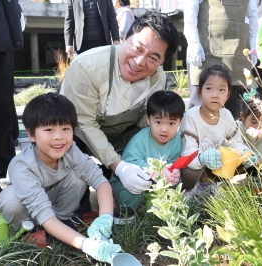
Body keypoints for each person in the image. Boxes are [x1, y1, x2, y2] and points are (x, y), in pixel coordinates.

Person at [60, 11, 179, 220]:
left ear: (161, 63)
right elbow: (84, 124)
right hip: (78, 133)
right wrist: (120, 166)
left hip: (120, 136)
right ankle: (79, 199)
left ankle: (111, 179)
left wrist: (152, 165)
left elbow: (146, 124)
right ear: (125, 38)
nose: (140, 62)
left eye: (153, 58)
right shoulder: (86, 67)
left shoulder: (157, 79)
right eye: (138, 47)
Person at [0, 93, 121, 263]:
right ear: (31, 134)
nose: (59, 136)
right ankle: (29, 232)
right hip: (29, 207)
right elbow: (43, 213)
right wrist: (85, 244)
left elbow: (100, 181)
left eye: (65, 129)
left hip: (54, 205)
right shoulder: (22, 165)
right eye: (49, 129)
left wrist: (105, 216)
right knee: (10, 201)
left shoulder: (71, 150)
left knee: (79, 176)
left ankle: (61, 223)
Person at [179, 65, 256, 190]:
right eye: (209, 88)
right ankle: (196, 194)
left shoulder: (226, 115)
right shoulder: (191, 116)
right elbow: (187, 152)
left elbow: (235, 144)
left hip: (218, 167)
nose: (215, 95)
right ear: (199, 92)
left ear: (228, 94)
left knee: (249, 164)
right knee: (192, 174)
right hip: (197, 167)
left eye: (221, 90)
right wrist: (202, 158)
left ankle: (221, 188)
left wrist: (245, 153)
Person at [109, 90, 184, 220]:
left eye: (171, 123)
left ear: (180, 122)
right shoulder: (140, 139)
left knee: (177, 183)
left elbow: (177, 159)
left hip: (156, 183)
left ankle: (170, 210)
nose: (164, 129)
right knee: (133, 189)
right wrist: (154, 170)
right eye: (158, 122)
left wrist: (174, 171)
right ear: (148, 120)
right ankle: (127, 213)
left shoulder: (177, 139)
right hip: (129, 181)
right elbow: (128, 162)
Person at [184, 0, 259, 119]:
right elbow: (190, 8)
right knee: (200, 113)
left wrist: (253, 45)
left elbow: (253, 15)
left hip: (238, 55)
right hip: (205, 53)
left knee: (235, 115)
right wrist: (193, 41)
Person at [0, 0, 23, 198]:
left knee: (0, 111)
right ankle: (1, 177)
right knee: (0, 112)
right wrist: (15, 38)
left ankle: (2, 176)